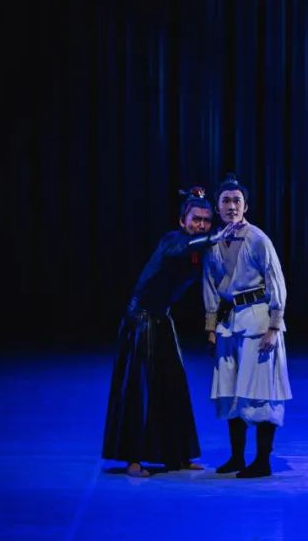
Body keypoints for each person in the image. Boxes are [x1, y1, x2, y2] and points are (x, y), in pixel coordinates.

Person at [102, 188, 242, 477]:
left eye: (206, 220)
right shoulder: (173, 240)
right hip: (140, 319)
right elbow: (183, 248)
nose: (201, 224)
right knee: (140, 388)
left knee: (174, 385)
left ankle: (177, 456)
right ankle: (133, 458)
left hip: (162, 318)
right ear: (182, 221)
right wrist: (215, 236)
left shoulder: (201, 250)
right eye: (195, 219)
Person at [203, 173, 292, 479]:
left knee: (260, 390)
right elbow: (210, 286)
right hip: (229, 322)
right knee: (231, 389)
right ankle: (237, 457)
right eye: (226, 201)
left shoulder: (258, 239)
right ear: (218, 207)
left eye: (237, 201)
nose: (231, 206)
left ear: (246, 206)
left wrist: (274, 327)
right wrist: (211, 328)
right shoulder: (214, 243)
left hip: (257, 321)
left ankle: (262, 460)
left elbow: (276, 282)